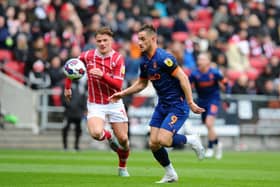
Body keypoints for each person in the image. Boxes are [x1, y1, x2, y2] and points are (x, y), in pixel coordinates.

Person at [109, 24, 205, 183]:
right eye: (138, 39)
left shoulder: (164, 58)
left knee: (164, 140)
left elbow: (183, 78)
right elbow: (142, 84)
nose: (139, 43)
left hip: (177, 105)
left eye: (142, 39)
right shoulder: (145, 61)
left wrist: (190, 102)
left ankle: (192, 140)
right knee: (153, 143)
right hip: (162, 105)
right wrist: (123, 93)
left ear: (153, 39)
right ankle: (171, 174)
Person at [64, 27, 130, 177]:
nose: (102, 43)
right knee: (95, 133)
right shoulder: (87, 56)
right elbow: (72, 66)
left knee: (124, 140)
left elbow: (118, 85)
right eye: (99, 41)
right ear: (95, 41)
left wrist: (102, 75)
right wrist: (67, 87)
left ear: (111, 41)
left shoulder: (118, 58)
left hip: (114, 103)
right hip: (95, 103)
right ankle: (109, 136)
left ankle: (122, 167)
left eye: (105, 40)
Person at [189, 52, 226, 159]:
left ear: (208, 62)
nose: (199, 61)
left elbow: (226, 83)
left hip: (213, 100)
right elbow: (187, 85)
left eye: (202, 59)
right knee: (208, 125)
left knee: (209, 124)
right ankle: (218, 144)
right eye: (199, 59)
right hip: (202, 102)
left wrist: (226, 95)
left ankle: (210, 147)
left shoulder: (215, 73)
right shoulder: (194, 74)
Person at [62, 80, 86, 151]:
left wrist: (84, 109)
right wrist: (68, 105)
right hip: (69, 112)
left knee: (78, 130)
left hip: (78, 113)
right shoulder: (68, 85)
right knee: (65, 129)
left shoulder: (82, 87)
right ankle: (65, 146)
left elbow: (84, 99)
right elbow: (63, 97)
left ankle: (76, 146)